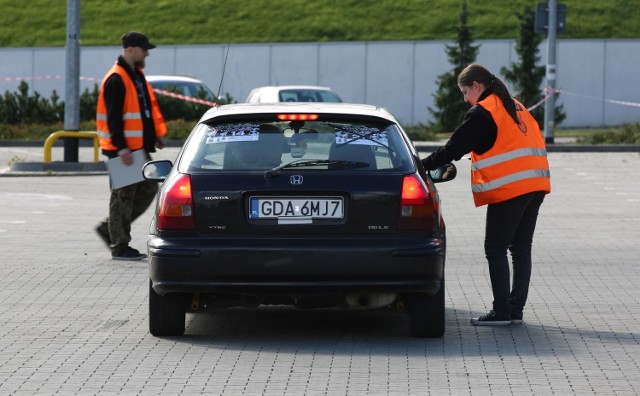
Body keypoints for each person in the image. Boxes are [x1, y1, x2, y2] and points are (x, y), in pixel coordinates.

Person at [421, 64, 551, 326]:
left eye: (465, 92)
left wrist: (419, 166)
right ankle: (515, 311)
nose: (465, 98)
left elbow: (453, 149)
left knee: (495, 248)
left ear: (476, 86)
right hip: (536, 183)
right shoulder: (514, 105)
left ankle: (501, 312)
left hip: (511, 188)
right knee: (521, 248)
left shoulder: (483, 112)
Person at [95, 32, 167, 261]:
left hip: (137, 148)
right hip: (124, 150)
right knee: (122, 197)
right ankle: (119, 244)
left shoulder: (135, 75)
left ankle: (111, 229)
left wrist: (153, 135)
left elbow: (141, 111)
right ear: (130, 49)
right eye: (143, 49)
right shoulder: (116, 78)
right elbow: (114, 118)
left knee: (146, 191)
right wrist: (122, 147)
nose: (147, 53)